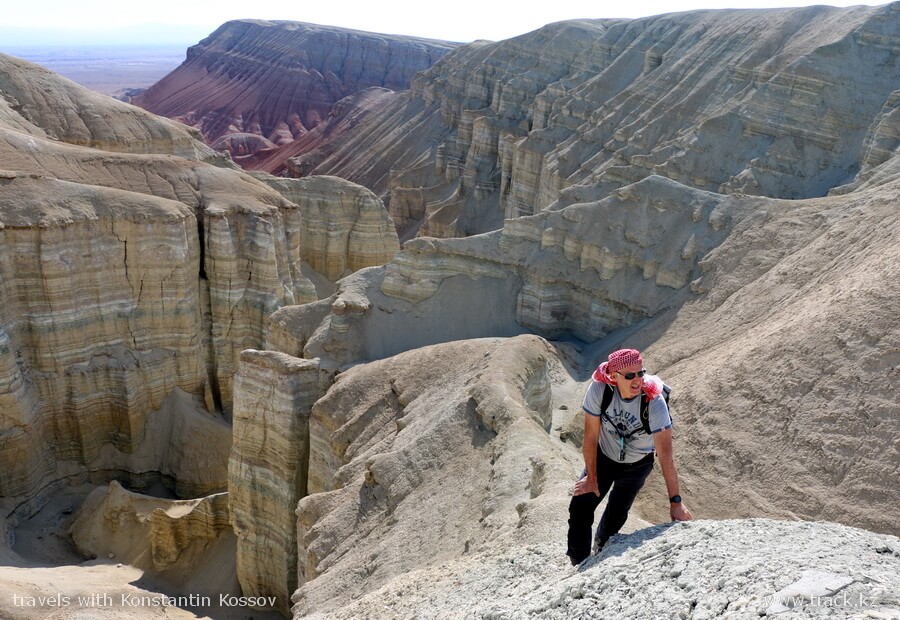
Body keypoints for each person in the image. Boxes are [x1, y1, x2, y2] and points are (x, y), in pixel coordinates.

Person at [566, 348, 692, 565]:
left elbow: (665, 457)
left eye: (640, 373)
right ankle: (579, 562)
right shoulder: (600, 389)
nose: (637, 380)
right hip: (604, 457)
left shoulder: (653, 401)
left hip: (637, 465)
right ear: (614, 376)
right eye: (630, 375)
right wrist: (592, 478)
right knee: (580, 507)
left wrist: (676, 502)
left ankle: (601, 550)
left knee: (616, 514)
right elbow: (590, 437)